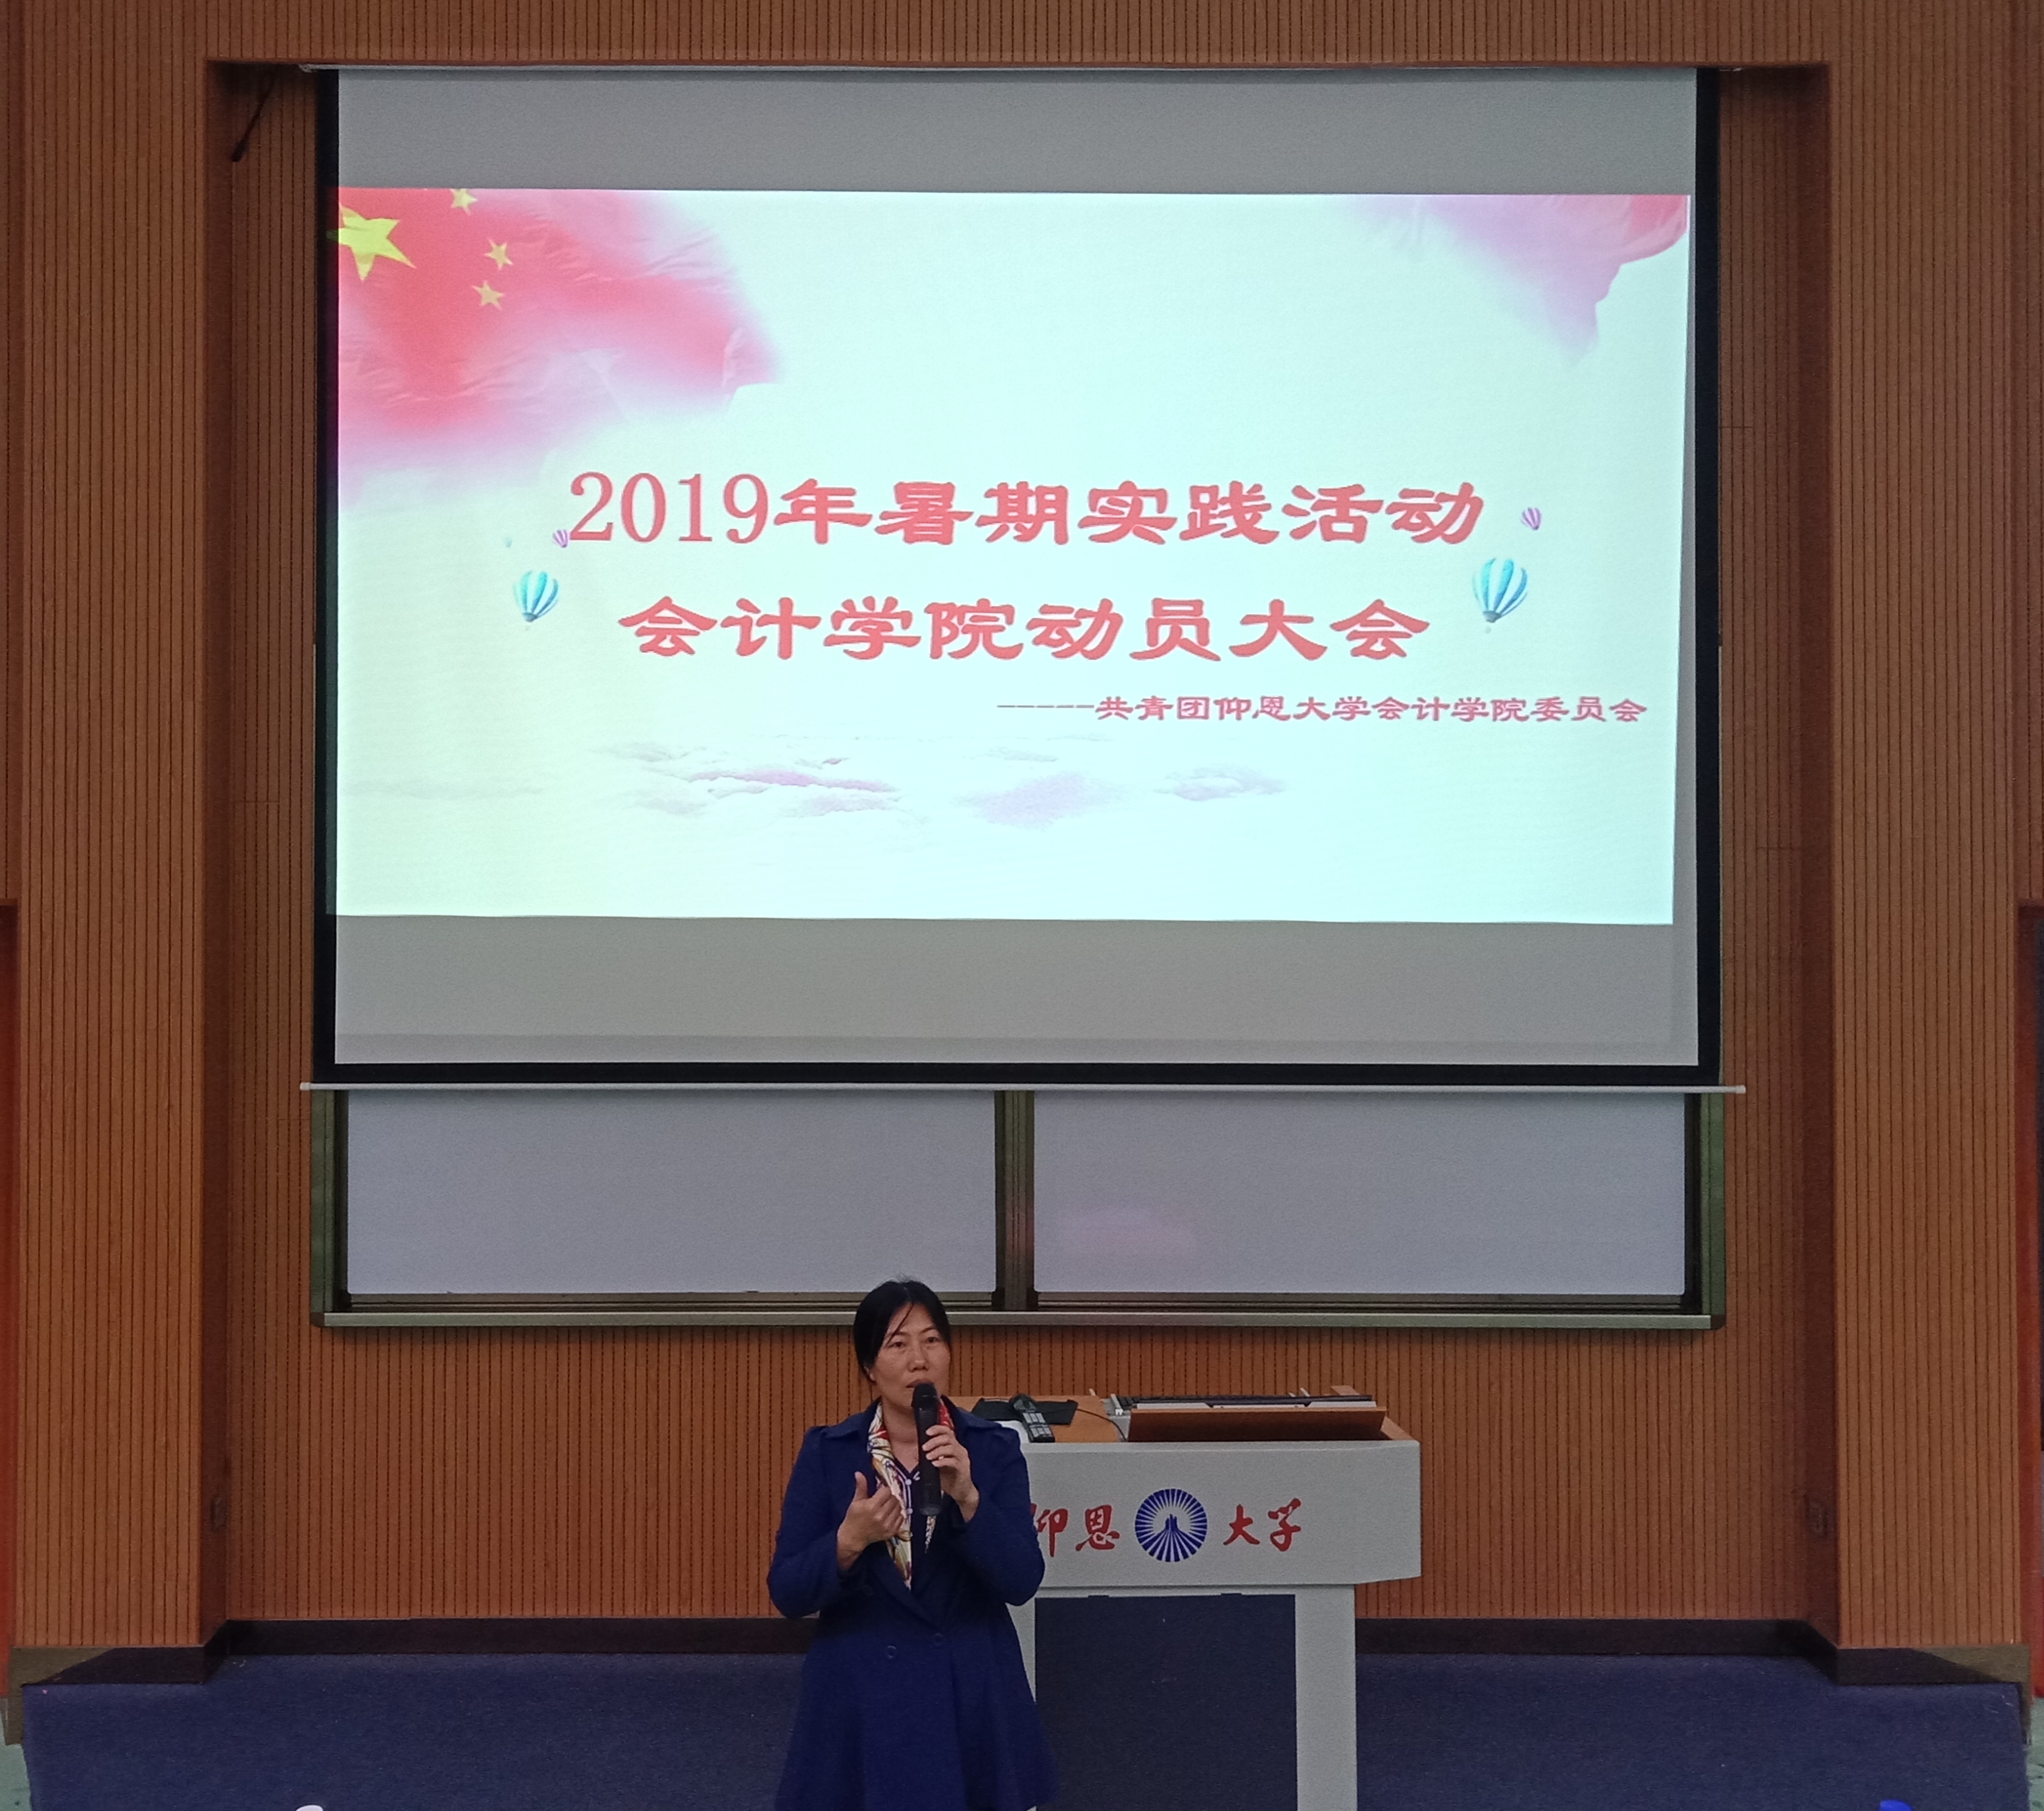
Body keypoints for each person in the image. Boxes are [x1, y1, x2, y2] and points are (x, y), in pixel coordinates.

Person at [768, 1277, 1058, 1811]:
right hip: (863, 1692)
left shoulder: (990, 1450)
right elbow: (787, 1590)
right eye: (898, 1344)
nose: (919, 1360)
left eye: (932, 1341)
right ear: (869, 1366)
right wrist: (848, 1541)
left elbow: (1022, 1580)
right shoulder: (829, 1453)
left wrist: (969, 1498)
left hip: (967, 1690)